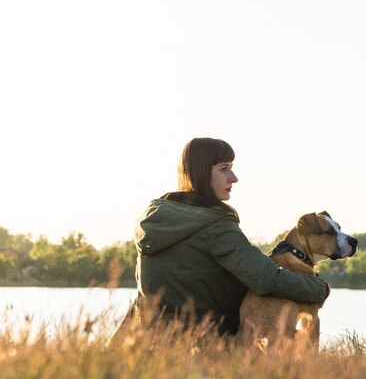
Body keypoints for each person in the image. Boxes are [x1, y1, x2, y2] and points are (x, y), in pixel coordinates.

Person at [130, 137, 329, 337]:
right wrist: (319, 288)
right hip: (207, 345)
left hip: (150, 342)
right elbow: (266, 278)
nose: (233, 177)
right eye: (224, 169)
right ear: (201, 173)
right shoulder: (216, 227)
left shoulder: (153, 223)